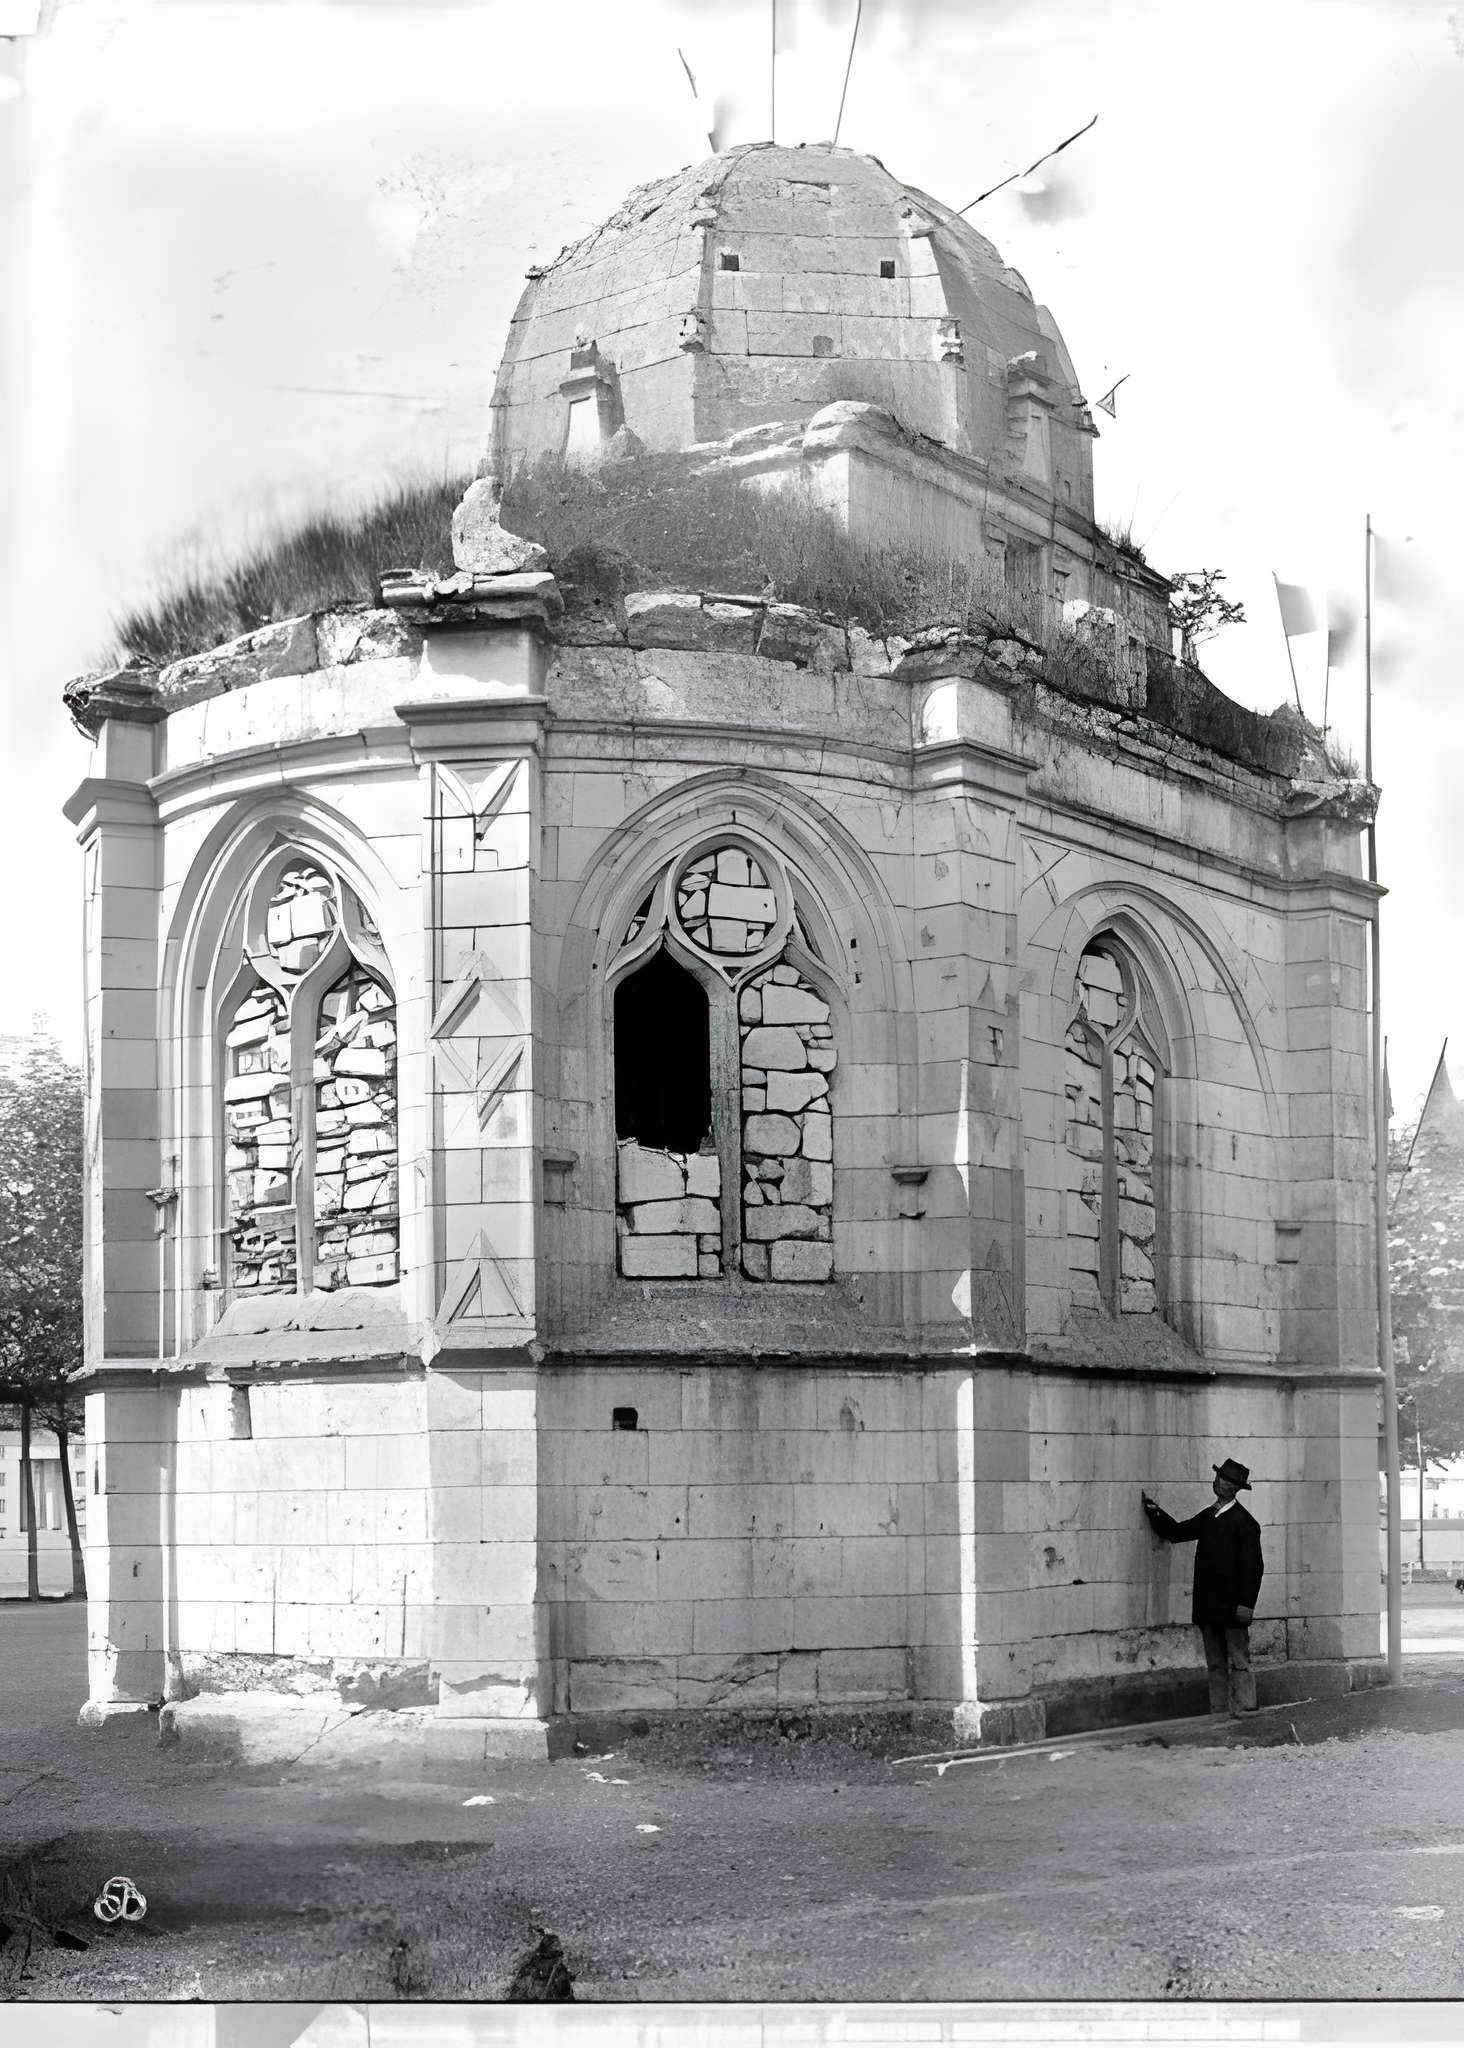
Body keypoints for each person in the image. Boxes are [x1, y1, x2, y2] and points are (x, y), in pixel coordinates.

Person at [1142, 1456, 1263, 1717]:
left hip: (1233, 1609)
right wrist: (1155, 1512)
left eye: (1228, 1481)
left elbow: (1253, 1569)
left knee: (1239, 1661)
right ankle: (1218, 1712)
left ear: (1236, 1489)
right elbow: (1177, 1532)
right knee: (1215, 1664)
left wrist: (1246, 1605)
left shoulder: (1246, 1523)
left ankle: (1246, 1710)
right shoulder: (1209, 1516)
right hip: (1209, 1606)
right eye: (1220, 1477)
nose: (1221, 1483)